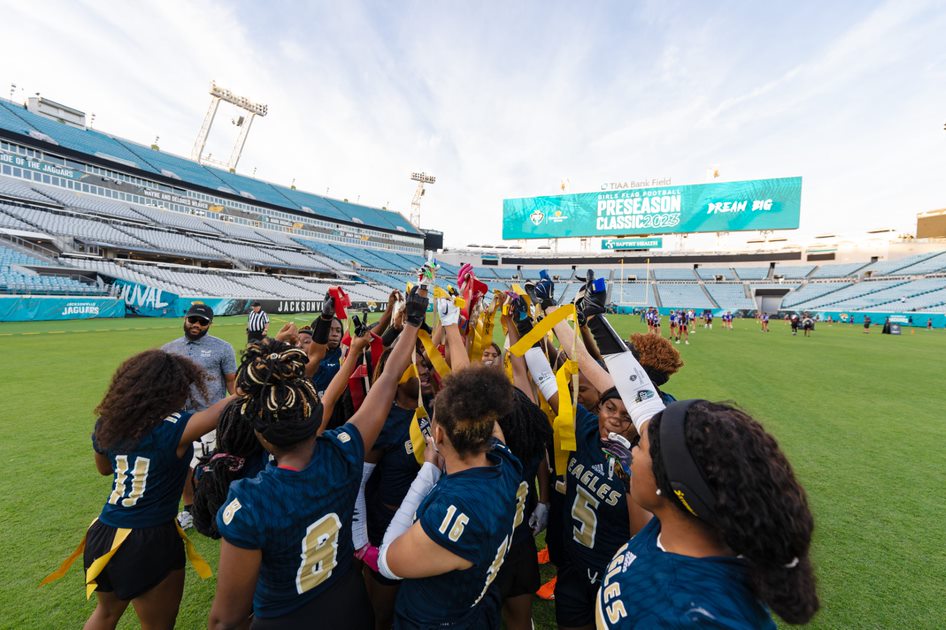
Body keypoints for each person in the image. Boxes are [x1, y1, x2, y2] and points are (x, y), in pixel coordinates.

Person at [207, 287, 428, 630]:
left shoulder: (250, 501)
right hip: (350, 607)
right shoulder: (343, 450)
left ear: (260, 433)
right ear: (312, 414)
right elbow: (386, 381)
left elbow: (226, 619)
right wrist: (413, 322)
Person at [595, 400, 819, 628]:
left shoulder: (703, 618)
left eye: (639, 446)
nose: (630, 452)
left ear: (669, 483)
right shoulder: (672, 522)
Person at [64, 350, 234, 629]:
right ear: (174, 389)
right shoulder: (175, 428)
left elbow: (104, 469)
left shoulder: (107, 422)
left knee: (105, 615)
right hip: (150, 538)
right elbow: (227, 406)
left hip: (104, 532)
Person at [374, 366, 525, 629]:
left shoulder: (453, 511)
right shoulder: (505, 461)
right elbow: (490, 424)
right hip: (473, 604)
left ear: (439, 434)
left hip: (437, 620)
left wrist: (429, 470)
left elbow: (386, 561)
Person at [161, 302, 236, 530]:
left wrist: (240, 409)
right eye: (193, 320)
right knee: (183, 466)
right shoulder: (168, 349)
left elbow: (232, 381)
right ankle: (189, 509)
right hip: (180, 418)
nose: (196, 325)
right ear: (185, 319)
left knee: (215, 468)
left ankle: (219, 510)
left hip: (213, 417)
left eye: (203, 322)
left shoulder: (223, 348)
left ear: (210, 324)